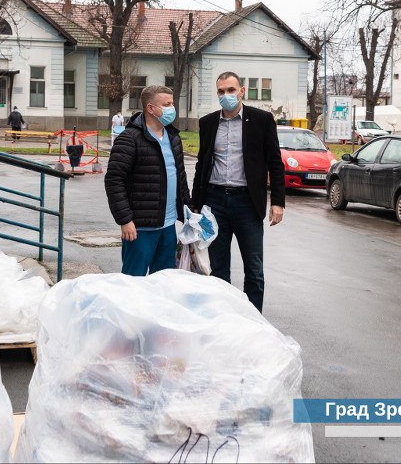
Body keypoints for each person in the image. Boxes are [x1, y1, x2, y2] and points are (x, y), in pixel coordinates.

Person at [191, 72, 284, 313]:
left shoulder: (262, 120)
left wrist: (278, 202)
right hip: (215, 202)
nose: (226, 95)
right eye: (221, 91)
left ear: (241, 91)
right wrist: (195, 204)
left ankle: (253, 322)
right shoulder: (208, 123)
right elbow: (202, 164)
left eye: (231, 90)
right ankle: (224, 321)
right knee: (218, 269)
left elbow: (275, 162)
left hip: (247, 203)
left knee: (254, 268)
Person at [105, 86, 191, 276]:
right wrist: (125, 219)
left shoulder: (173, 137)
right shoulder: (129, 139)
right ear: (151, 108)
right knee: (133, 283)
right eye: (167, 104)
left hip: (168, 226)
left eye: (172, 104)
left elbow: (180, 176)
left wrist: (188, 211)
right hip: (140, 228)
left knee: (164, 282)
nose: (172, 108)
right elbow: (114, 180)